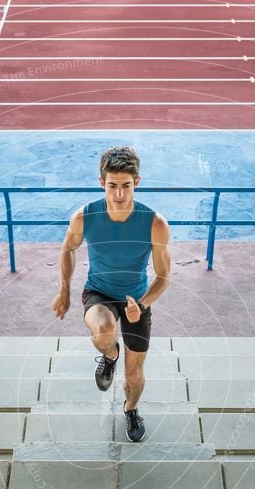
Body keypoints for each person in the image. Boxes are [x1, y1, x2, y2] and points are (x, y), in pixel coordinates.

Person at [52, 146, 171, 442]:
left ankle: (131, 409)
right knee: (104, 331)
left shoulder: (155, 223)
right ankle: (110, 355)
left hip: (136, 300)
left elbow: (164, 275)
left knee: (134, 376)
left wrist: (141, 305)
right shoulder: (84, 216)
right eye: (112, 186)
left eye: (126, 186)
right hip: (99, 292)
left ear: (137, 182)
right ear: (101, 182)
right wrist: (64, 290)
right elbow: (68, 249)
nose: (119, 194)